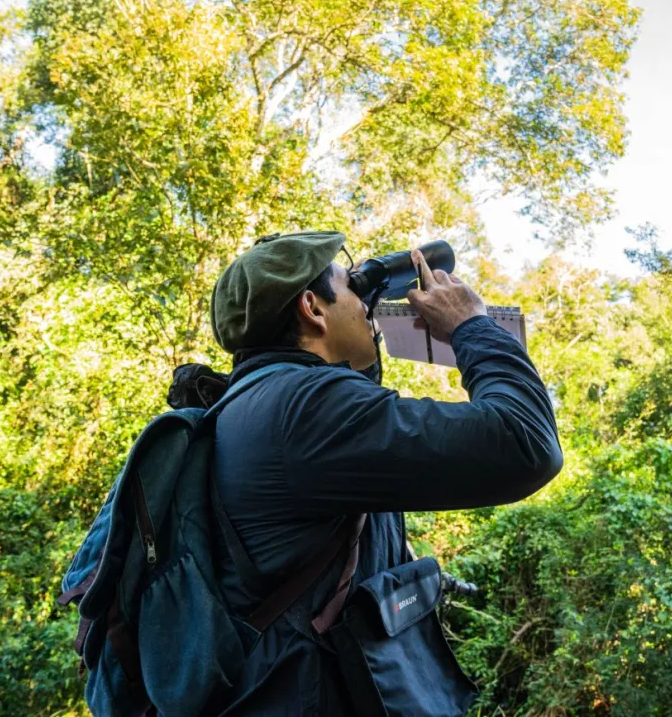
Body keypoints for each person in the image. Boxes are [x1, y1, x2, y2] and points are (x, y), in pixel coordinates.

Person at [208, 231, 563, 715]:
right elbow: (525, 443)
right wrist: (471, 326)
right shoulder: (307, 411)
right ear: (312, 309)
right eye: (353, 289)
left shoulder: (254, 403)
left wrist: (358, 334)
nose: (366, 306)